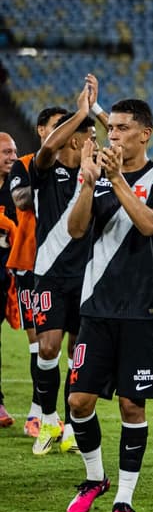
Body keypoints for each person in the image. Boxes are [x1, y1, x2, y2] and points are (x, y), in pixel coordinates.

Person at [65, 98, 153, 512]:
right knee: (78, 400)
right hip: (96, 307)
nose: (112, 135)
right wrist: (87, 183)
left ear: (144, 134)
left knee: (132, 406)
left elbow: (150, 224)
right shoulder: (95, 176)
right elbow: (77, 230)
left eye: (121, 128)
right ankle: (95, 478)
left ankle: (124, 499)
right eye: (109, 128)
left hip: (143, 310)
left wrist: (115, 181)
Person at [25, 83, 100, 456]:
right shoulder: (43, 169)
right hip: (50, 275)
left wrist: (95, 112)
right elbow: (49, 146)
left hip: (87, 276)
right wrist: (81, 112)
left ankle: (69, 427)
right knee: (48, 346)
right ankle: (49, 420)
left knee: (76, 354)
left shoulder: (96, 175)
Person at [8, 106, 67, 437]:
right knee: (40, 345)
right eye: (57, 126)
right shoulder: (26, 164)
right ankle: (38, 414)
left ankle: (68, 419)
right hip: (31, 263)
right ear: (42, 130)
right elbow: (21, 200)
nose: (63, 132)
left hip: (71, 266)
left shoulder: (76, 166)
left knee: (73, 346)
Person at [0, 132, 18, 427]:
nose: (13, 157)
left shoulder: (18, 187)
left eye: (14, 151)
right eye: (6, 152)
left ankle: (41, 411)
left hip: (12, 272)